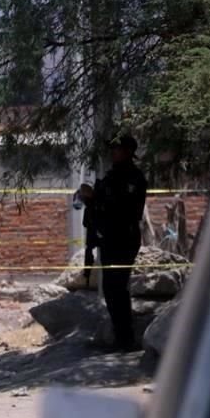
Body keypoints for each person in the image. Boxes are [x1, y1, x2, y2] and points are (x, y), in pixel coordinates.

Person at [76, 134, 148, 350]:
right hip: (108, 238)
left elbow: (124, 208)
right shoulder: (111, 177)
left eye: (117, 149)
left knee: (117, 287)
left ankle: (126, 338)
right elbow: (97, 203)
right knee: (110, 288)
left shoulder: (134, 178)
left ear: (127, 152)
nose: (113, 152)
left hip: (124, 238)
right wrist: (88, 198)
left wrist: (97, 199)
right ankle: (121, 336)